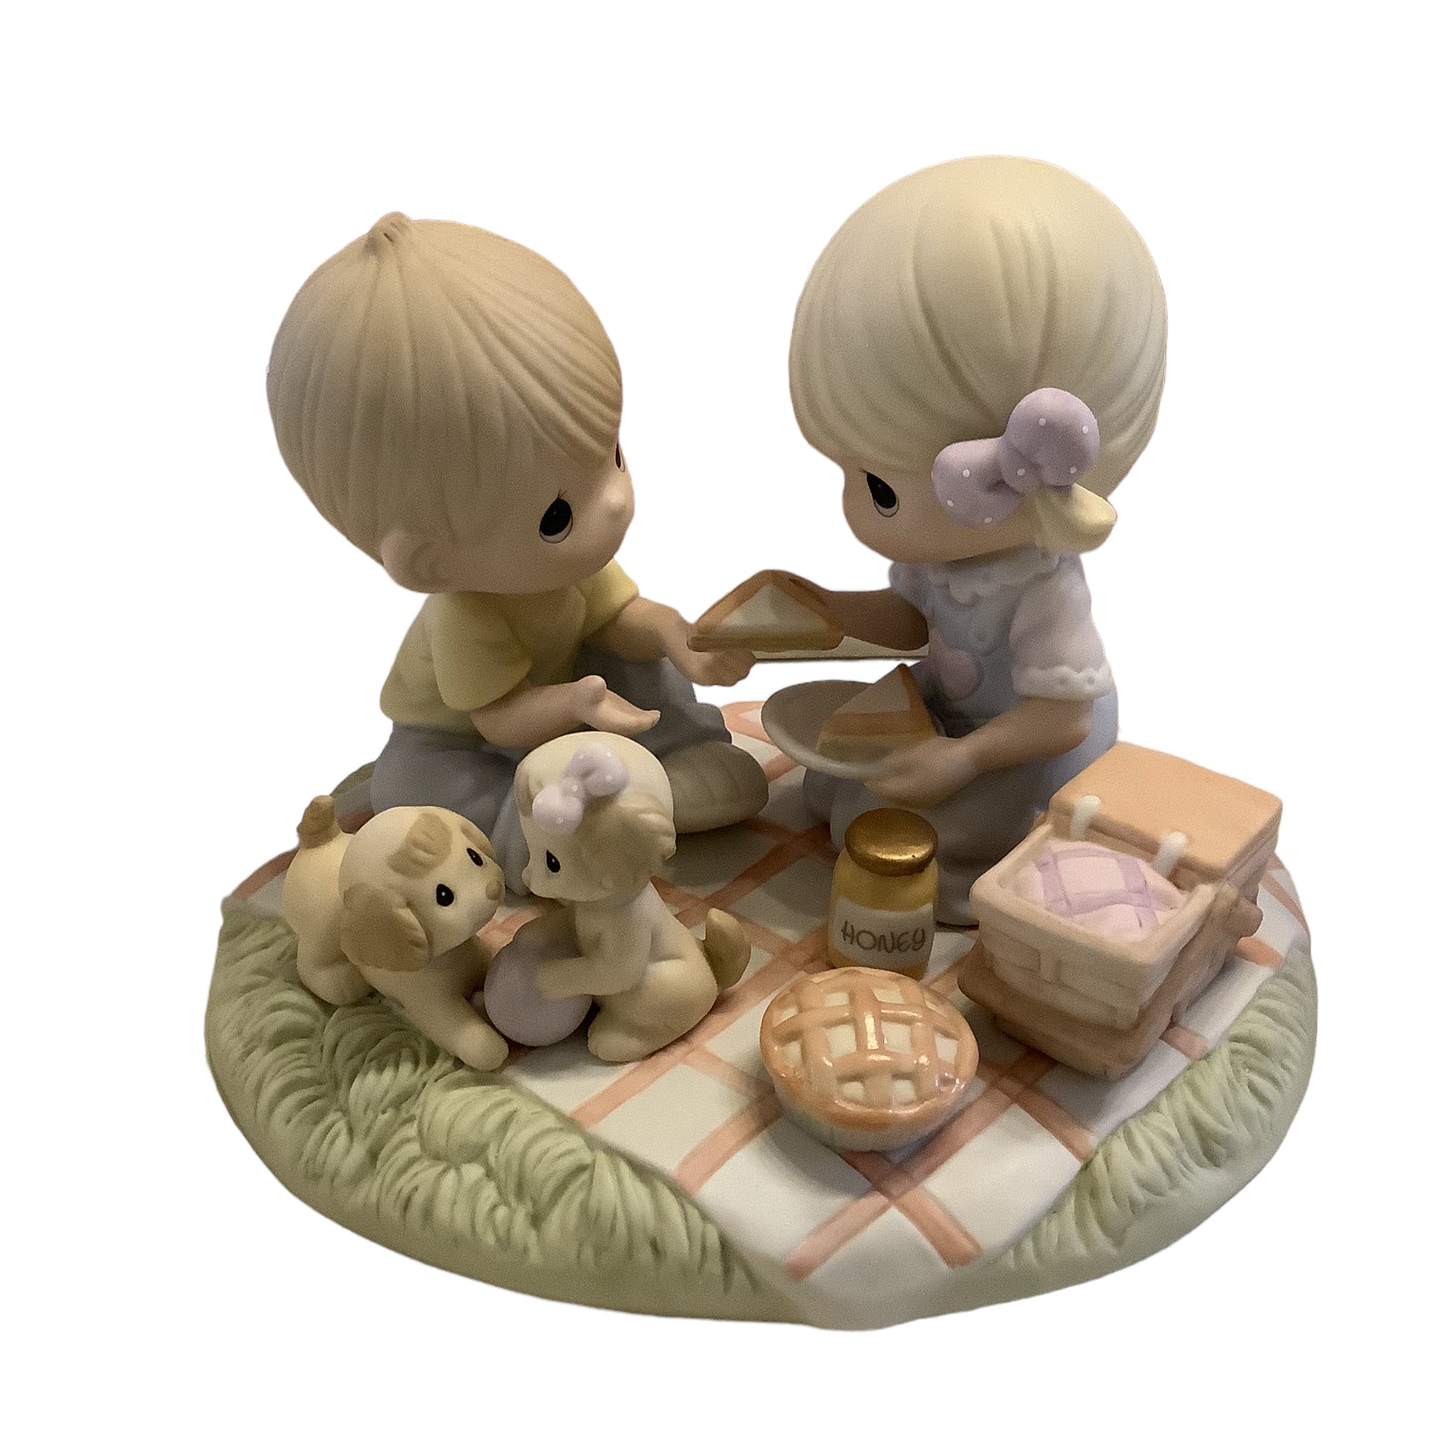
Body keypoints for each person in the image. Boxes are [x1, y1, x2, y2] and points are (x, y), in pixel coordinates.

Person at [267, 211, 765, 884]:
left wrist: (676, 635)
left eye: (612, 454)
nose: (615, 500)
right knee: (411, 785)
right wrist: (575, 705)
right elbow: (498, 718)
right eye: (557, 514)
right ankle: (529, 827)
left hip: (569, 698)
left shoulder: (563, 567)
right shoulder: (467, 613)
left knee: (635, 657)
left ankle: (683, 753)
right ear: (430, 562)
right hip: (464, 737)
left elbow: (618, 617)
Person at [779, 155, 1168, 923]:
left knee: (878, 825)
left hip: (1025, 750)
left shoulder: (1042, 588)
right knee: (828, 784)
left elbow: (1061, 716)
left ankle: (984, 891)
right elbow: (911, 621)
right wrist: (820, 610)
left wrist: (960, 758)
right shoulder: (941, 558)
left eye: (879, 487)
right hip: (946, 714)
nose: (855, 508)